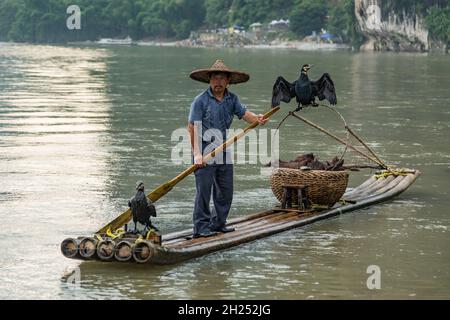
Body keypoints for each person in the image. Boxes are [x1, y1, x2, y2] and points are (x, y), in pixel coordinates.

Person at [188, 59, 268, 238]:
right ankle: (201, 227)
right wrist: (197, 155)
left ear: (228, 81)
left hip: (224, 150)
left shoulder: (232, 99)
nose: (218, 82)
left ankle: (218, 223)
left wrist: (257, 119)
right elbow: (192, 127)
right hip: (204, 151)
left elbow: (244, 114)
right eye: (215, 78)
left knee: (225, 191)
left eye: (222, 78)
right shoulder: (200, 101)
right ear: (209, 80)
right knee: (204, 192)